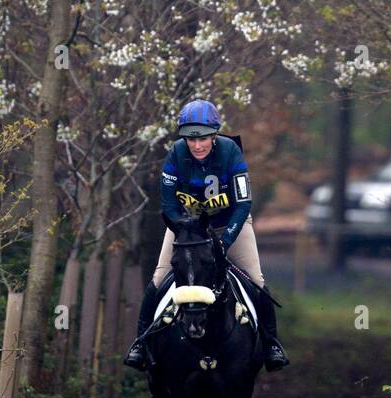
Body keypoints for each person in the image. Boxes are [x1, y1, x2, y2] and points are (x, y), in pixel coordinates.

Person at [124, 99, 290, 372]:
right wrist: (184, 231)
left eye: (203, 138)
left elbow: (243, 203)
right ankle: (140, 343)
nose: (197, 145)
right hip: (187, 228)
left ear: (215, 136)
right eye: (191, 139)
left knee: (256, 280)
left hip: (229, 223)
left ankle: (271, 344)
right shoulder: (176, 154)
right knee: (158, 278)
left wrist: (225, 242)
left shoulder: (231, 152)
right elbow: (168, 204)